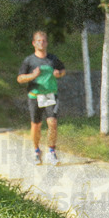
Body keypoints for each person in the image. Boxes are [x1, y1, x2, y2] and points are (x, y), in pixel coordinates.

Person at [17, 30, 66, 165]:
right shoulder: (29, 61)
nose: (41, 43)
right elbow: (20, 78)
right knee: (36, 125)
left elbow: (62, 70)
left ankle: (51, 151)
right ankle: (37, 151)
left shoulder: (52, 59)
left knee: (52, 122)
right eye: (39, 41)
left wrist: (59, 74)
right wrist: (33, 75)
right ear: (34, 43)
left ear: (47, 43)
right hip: (35, 95)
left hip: (50, 95)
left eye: (44, 41)